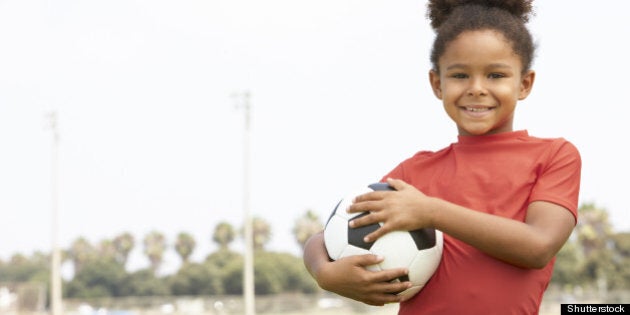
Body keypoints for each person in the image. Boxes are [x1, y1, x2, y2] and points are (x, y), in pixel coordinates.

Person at [303, 0, 582, 314]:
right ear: (438, 83)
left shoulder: (555, 156)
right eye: (460, 75)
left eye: (495, 75)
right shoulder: (414, 174)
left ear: (524, 83)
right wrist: (323, 272)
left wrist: (430, 211)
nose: (477, 88)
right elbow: (328, 236)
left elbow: (538, 247)